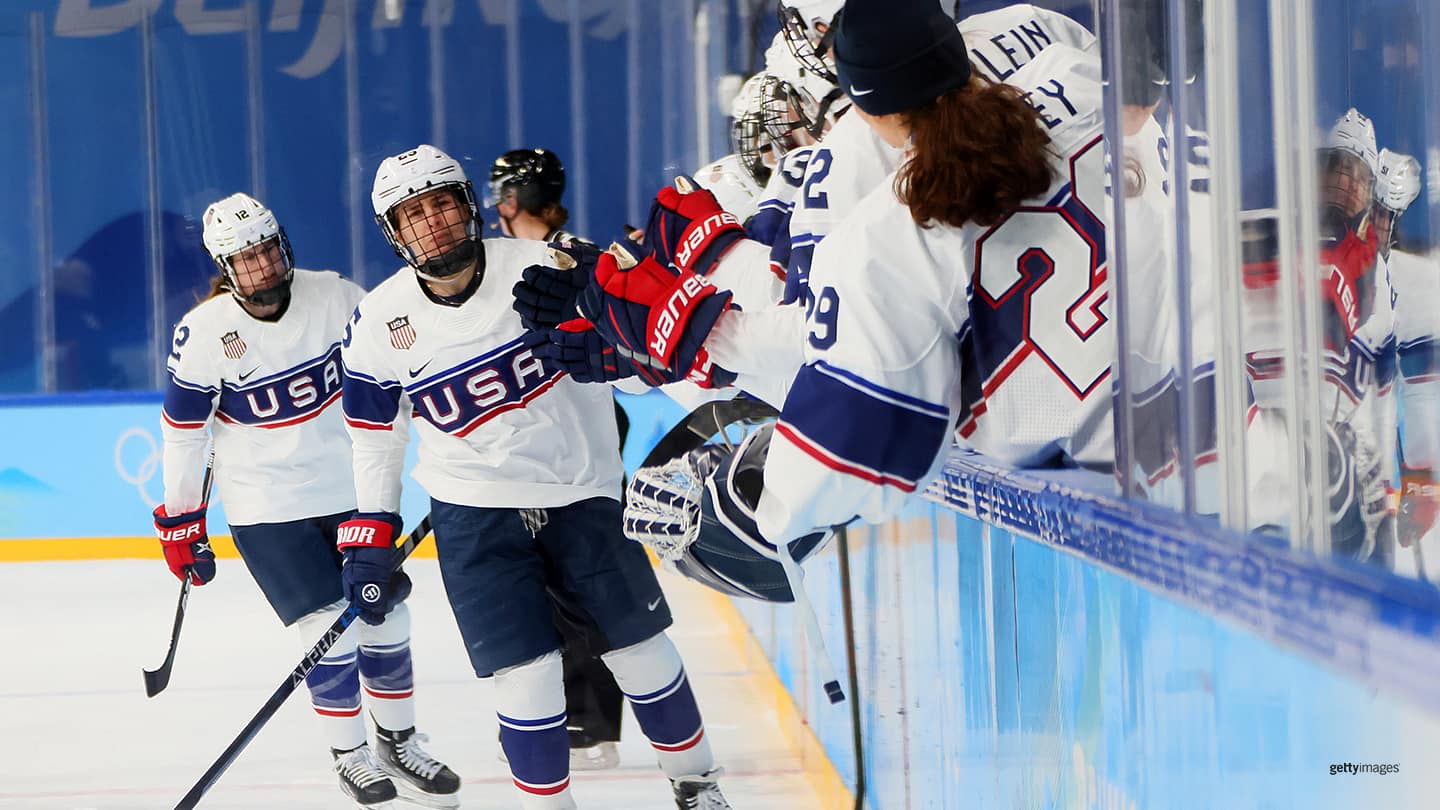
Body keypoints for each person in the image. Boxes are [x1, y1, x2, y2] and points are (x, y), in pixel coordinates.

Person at [539, 0, 1113, 599]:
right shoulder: (1056, 54)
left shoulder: (871, 192)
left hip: (1063, 454)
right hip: (1182, 404)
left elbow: (835, 348)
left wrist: (697, 327)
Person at [341, 144, 732, 810]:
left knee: (640, 652)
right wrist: (372, 530)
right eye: (413, 215)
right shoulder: (377, 324)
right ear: (394, 233)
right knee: (524, 680)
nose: (431, 223)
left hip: (580, 494)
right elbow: (376, 438)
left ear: (469, 206)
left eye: (441, 203)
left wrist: (618, 355)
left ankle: (697, 786)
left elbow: (647, 367)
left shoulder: (555, 264)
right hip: (474, 515)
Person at [154, 193, 460, 809]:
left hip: (351, 494)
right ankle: (349, 755)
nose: (262, 266)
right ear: (226, 268)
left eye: (268, 250)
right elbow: (184, 437)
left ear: (282, 244)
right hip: (268, 509)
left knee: (387, 617)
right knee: (327, 631)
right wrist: (182, 522)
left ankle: (396, 742)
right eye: (246, 259)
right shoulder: (205, 333)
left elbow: (396, 377)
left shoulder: (339, 298)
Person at [487, 145, 631, 773]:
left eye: (501, 196)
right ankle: (580, 718)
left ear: (514, 200)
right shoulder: (574, 253)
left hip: (579, 435)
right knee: (555, 587)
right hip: (547, 438)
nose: (495, 209)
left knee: (579, 583)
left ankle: (594, 724)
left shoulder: (561, 258)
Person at [487, 147, 587, 244]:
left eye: (497, 195)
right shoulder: (582, 254)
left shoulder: (506, 257)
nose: (497, 206)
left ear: (511, 200)